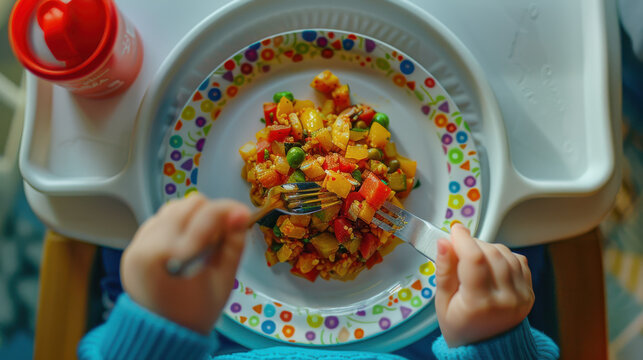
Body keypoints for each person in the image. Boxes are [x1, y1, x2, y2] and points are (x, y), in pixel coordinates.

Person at [78, 195, 559, 359]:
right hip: (439, 343)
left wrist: (154, 327)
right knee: (519, 237)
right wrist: (491, 344)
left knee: (122, 224)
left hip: (187, 336)